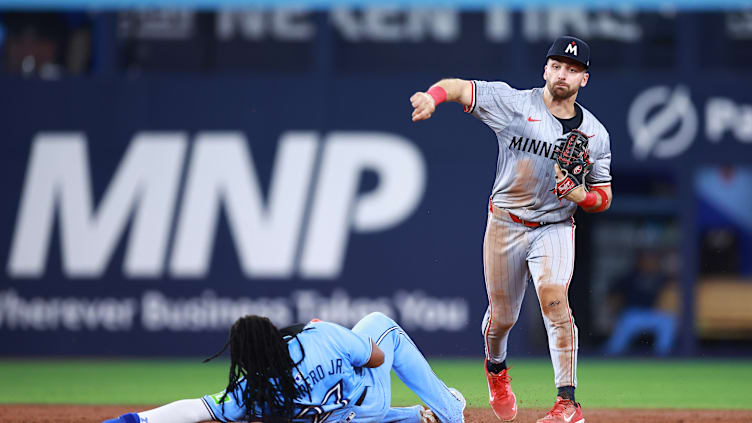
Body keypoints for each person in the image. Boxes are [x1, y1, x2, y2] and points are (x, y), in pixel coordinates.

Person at [410, 36, 613, 423]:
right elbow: (459, 88)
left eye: (572, 69)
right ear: (545, 70)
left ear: (584, 79)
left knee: (555, 300)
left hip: (554, 224)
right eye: (556, 66)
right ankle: (496, 370)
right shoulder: (515, 104)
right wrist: (434, 98)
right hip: (505, 222)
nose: (562, 74)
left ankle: (567, 403)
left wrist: (582, 196)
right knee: (502, 317)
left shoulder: (596, 135)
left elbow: (604, 196)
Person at [102, 312, 466, 423]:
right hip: (365, 407)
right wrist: (329, 331)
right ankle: (450, 414)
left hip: (336, 422)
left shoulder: (251, 390)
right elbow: (377, 358)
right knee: (379, 324)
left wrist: (135, 420)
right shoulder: (319, 336)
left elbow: (194, 409)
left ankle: (418, 419)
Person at [604, 250, 677, 357]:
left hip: (654, 313)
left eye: (652, 260)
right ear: (639, 261)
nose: (649, 263)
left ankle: (663, 356)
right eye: (646, 260)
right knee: (626, 325)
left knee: (668, 321)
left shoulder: (661, 277)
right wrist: (613, 312)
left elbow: (673, 288)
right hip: (633, 313)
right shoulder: (629, 277)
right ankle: (609, 355)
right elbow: (613, 296)